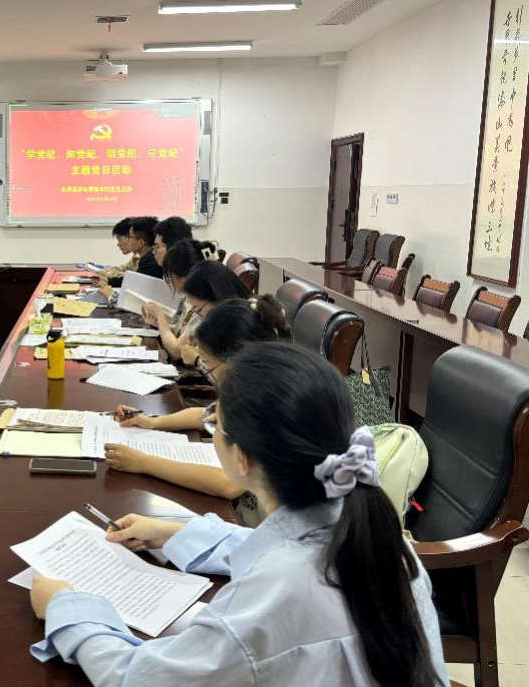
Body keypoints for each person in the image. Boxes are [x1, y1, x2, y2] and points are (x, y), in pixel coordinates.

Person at [30, 342, 447, 687]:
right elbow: (289, 547)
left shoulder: (266, 601)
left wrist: (69, 608)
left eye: (216, 423)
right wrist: (175, 534)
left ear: (242, 458)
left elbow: (135, 678)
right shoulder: (377, 534)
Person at [110, 296, 289, 525]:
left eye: (208, 365)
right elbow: (207, 414)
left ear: (234, 360)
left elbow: (229, 484)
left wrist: (144, 462)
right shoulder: (261, 382)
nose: (208, 373)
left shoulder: (269, 402)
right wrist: (153, 422)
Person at [175, 260, 252, 366]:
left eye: (198, 309)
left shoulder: (243, 325)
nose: (200, 317)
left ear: (217, 297)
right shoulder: (229, 317)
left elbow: (231, 373)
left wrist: (198, 361)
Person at [142, 241, 202, 361]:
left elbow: (176, 351)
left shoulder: (201, 301)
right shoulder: (191, 296)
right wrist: (160, 324)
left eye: (168, 277)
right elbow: (182, 330)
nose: (169, 282)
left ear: (177, 275)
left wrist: (160, 316)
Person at [97, 217, 161, 300]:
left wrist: (111, 296)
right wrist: (108, 281)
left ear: (140, 242)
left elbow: (135, 297)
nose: (127, 240)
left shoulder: (150, 261)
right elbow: (133, 281)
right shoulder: (145, 257)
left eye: (129, 237)